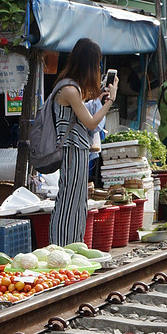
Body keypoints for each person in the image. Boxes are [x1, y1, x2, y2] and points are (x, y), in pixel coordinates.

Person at [51, 38, 117, 246]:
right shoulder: (70, 90)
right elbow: (90, 123)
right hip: (71, 149)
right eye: (97, 63)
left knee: (78, 200)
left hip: (78, 149)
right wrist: (110, 101)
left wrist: (99, 100)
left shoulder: (72, 88)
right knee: (68, 200)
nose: (98, 69)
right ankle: (60, 247)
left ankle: (73, 245)